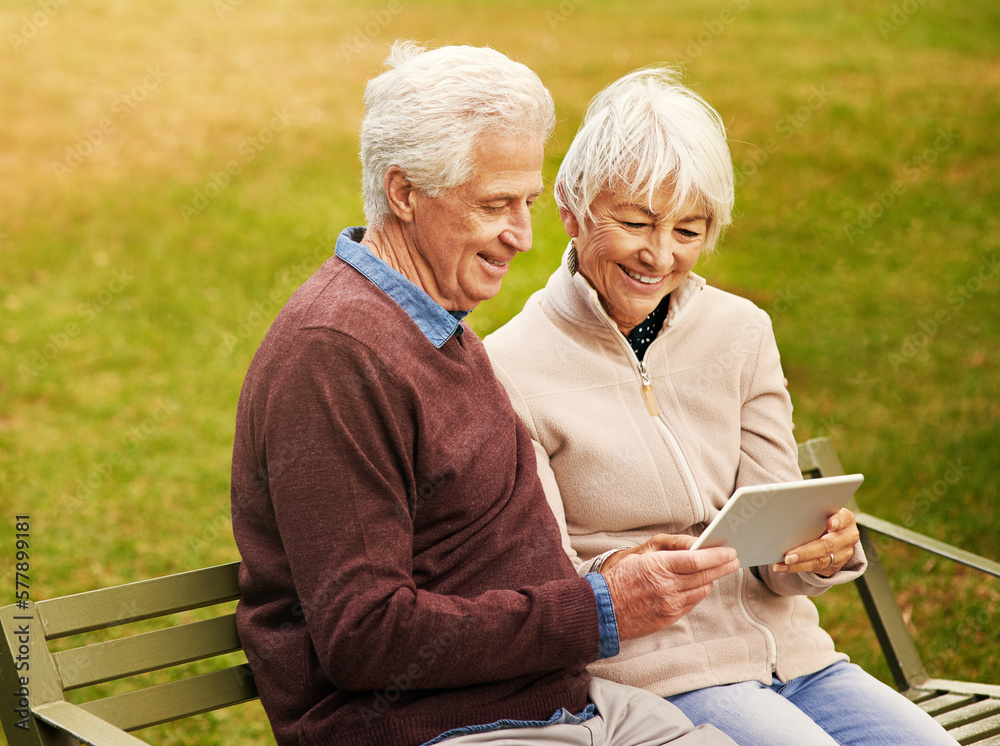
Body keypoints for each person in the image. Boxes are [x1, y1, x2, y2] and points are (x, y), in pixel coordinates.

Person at [230, 42, 741, 746]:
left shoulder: (435, 327)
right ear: (405, 193)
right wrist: (595, 609)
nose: (524, 236)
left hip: (558, 707)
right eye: (495, 204)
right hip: (440, 729)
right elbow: (363, 637)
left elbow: (480, 550)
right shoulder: (336, 356)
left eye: (528, 202)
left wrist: (612, 576)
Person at [484, 67, 956, 746]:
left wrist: (819, 551)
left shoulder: (741, 332)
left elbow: (773, 535)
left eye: (689, 230)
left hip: (797, 658)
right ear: (571, 207)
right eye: (635, 222)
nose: (660, 254)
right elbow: (546, 582)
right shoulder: (510, 369)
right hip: (658, 678)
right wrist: (617, 574)